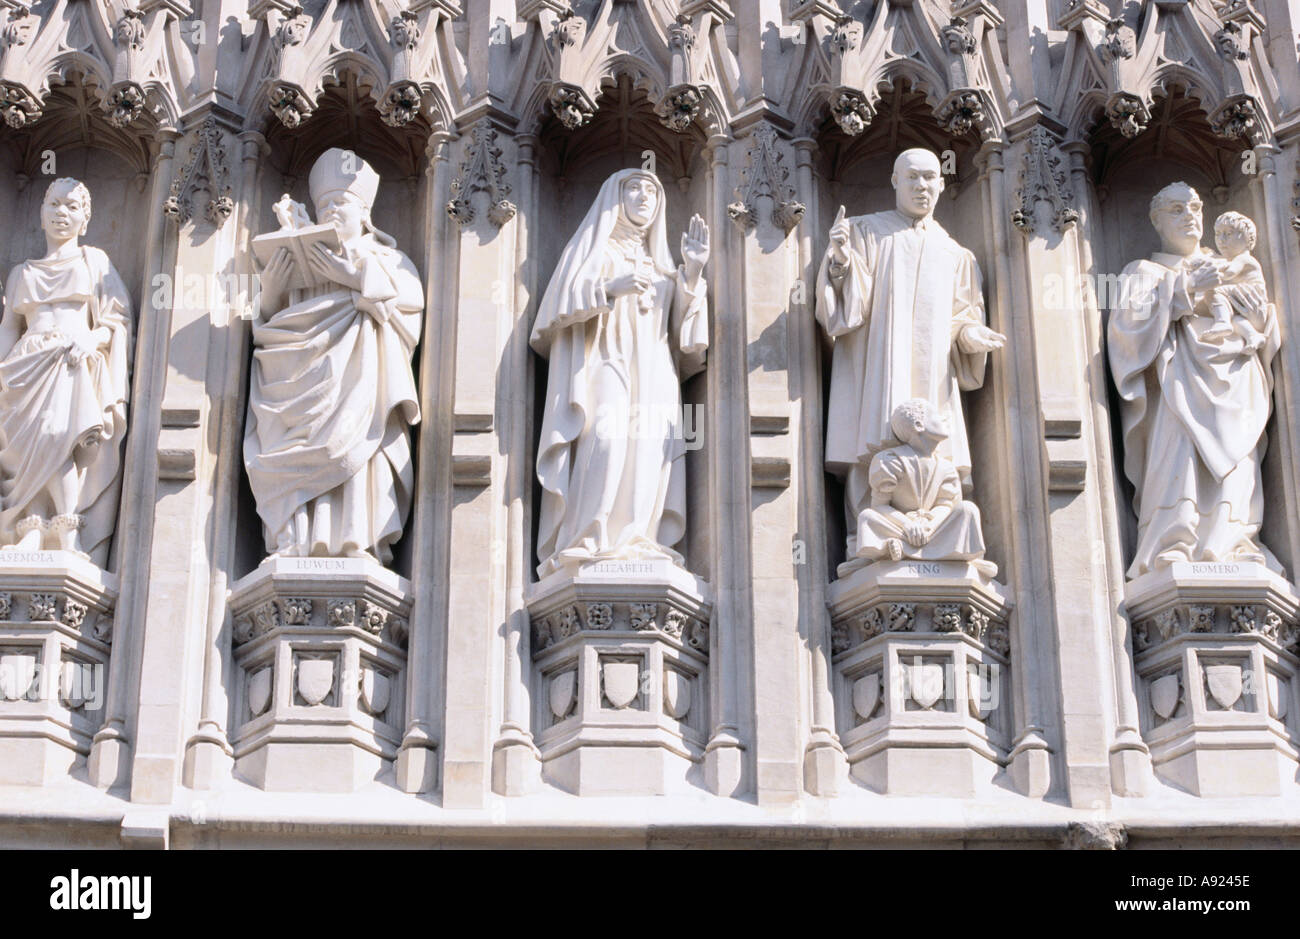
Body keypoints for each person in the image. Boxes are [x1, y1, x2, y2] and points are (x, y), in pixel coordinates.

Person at [815, 148, 1004, 558]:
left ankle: (938, 536)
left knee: (938, 454)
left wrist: (972, 337)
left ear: (941, 183)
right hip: (876, 373)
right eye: (913, 177)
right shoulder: (864, 232)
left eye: (931, 178)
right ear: (895, 181)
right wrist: (840, 266)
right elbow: (843, 310)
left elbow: (961, 317)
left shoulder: (957, 254)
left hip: (934, 376)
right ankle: (868, 542)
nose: (923, 186)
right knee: (871, 444)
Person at [245, 149, 422, 564]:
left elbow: (405, 316)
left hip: (358, 385)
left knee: (354, 449)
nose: (331, 213)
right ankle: (295, 539)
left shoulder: (390, 261)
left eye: (339, 204)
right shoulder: (307, 266)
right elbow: (270, 326)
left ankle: (354, 539)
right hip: (300, 385)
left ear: (364, 213)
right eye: (324, 206)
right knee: (294, 444)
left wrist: (352, 276)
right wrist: (272, 290)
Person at [531, 168, 709, 577]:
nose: (644, 197)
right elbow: (557, 307)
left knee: (649, 451)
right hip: (606, 358)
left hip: (655, 370)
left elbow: (688, 340)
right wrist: (612, 287)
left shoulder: (664, 267)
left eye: (652, 191)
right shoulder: (594, 251)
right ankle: (588, 540)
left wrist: (694, 274)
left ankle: (637, 539)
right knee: (606, 442)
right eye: (635, 189)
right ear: (616, 197)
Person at [1108, 182, 1281, 578]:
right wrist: (1185, 290)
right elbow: (1126, 333)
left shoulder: (1229, 265)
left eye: (1195, 207)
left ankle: (1234, 543)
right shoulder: (1143, 271)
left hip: (1235, 381)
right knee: (1179, 458)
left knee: (1238, 461)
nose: (1190, 216)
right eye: (1175, 209)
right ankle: (1174, 543)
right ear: (1156, 222)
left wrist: (1258, 321)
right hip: (1177, 385)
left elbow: (1263, 327)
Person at [0, 178, 131, 562]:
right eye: (54, 205)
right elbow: (10, 327)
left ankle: (67, 527)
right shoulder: (22, 273)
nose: (62, 213)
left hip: (70, 360)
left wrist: (90, 341)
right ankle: (32, 526)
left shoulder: (95, 262)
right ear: (41, 215)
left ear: (85, 219)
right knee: (27, 447)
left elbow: (117, 319)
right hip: (25, 365)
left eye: (72, 207)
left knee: (60, 437)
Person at [855, 398, 995, 577]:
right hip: (900, 526)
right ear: (919, 425)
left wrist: (928, 525)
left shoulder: (946, 466)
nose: (943, 419)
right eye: (936, 416)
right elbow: (879, 505)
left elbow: (945, 504)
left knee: (967, 510)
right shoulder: (889, 460)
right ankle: (940, 552)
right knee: (867, 518)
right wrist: (908, 525)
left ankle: (899, 549)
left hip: (932, 527)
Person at [1202, 210, 1267, 351]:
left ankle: (1222, 322)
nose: (1221, 239)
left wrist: (1209, 270)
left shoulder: (1242, 258)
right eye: (1218, 234)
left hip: (1251, 297)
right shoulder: (1233, 259)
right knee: (1236, 319)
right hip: (1243, 303)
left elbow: (1229, 273)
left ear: (1246, 238)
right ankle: (1253, 336)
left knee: (1214, 293)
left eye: (1228, 234)